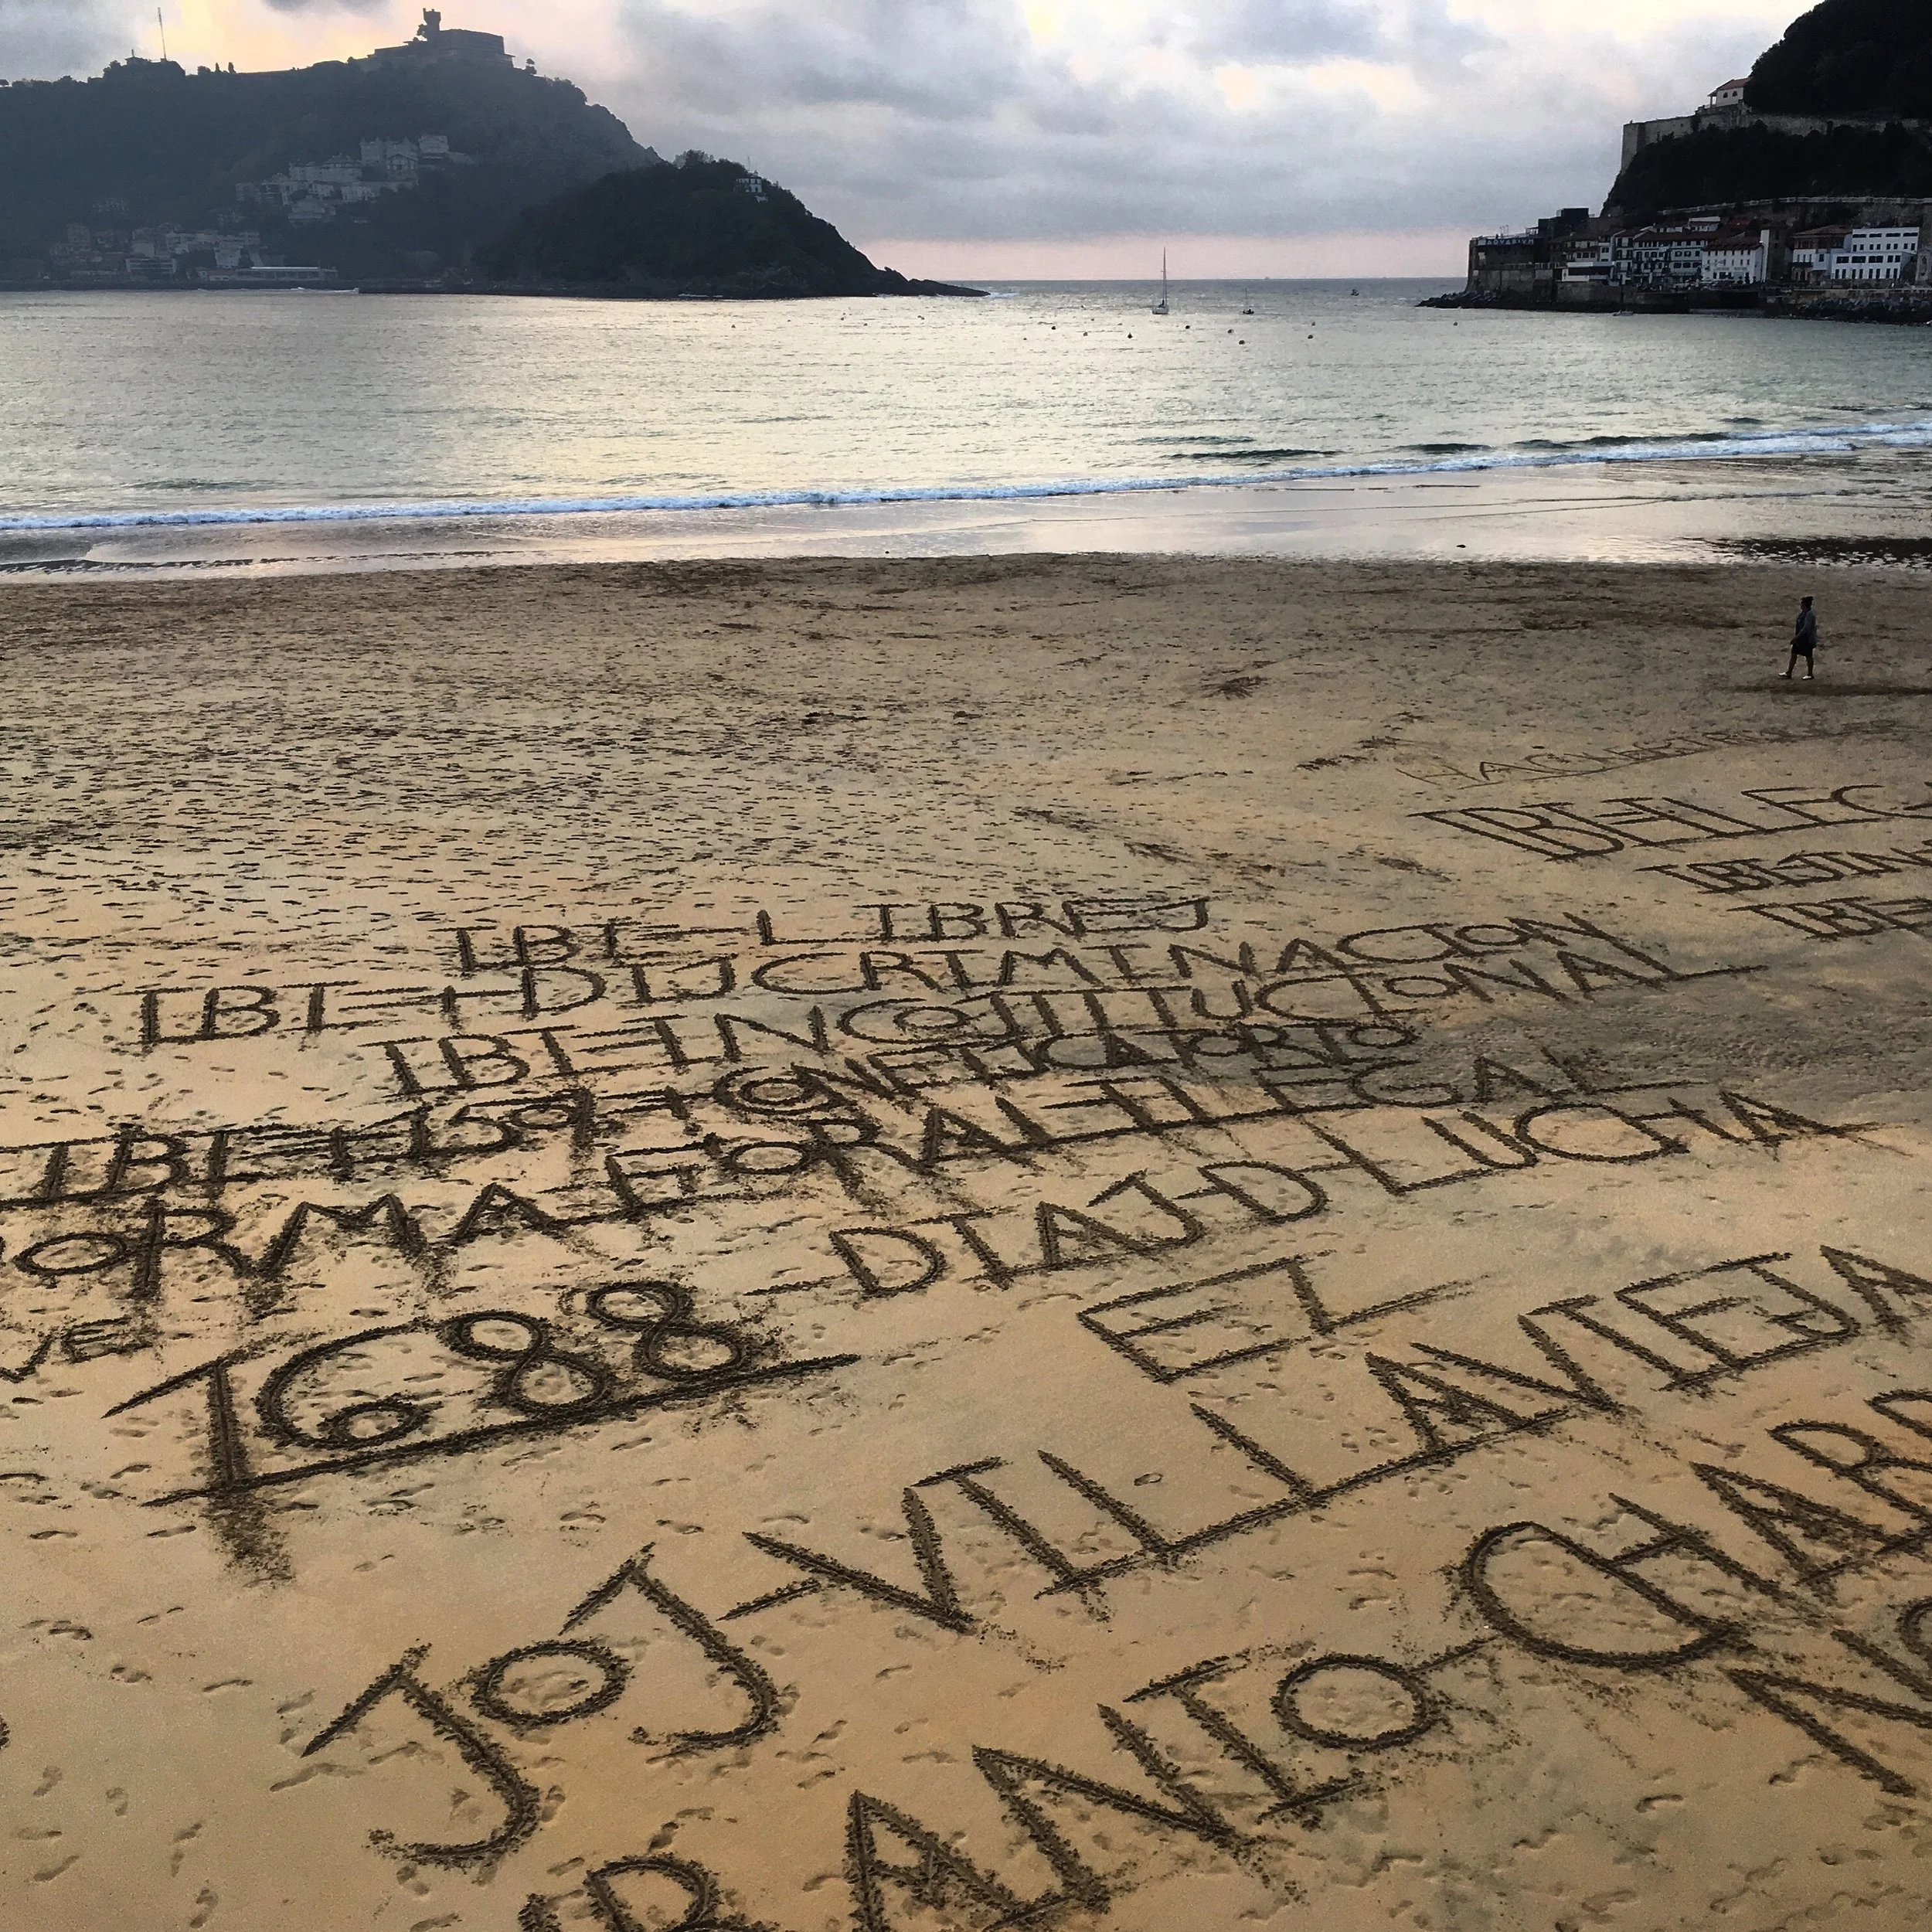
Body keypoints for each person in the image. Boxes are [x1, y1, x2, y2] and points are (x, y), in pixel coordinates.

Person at [1783, 597, 1818, 680]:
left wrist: (1796, 637)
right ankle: (1789, 672)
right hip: (1800, 638)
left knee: (1808, 656)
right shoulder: (1803, 613)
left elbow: (1806, 629)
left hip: (1806, 639)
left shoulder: (1810, 615)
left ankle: (1810, 674)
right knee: (1794, 654)